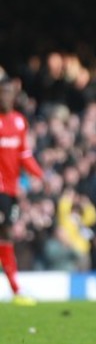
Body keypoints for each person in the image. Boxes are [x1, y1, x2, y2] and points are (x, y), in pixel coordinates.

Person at [0, 75, 43, 305]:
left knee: (6, 235)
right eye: (2, 93)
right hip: (1, 189)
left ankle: (16, 290)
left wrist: (40, 176)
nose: (5, 97)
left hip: (10, 191)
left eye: (9, 93)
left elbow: (24, 155)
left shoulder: (18, 121)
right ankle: (15, 288)